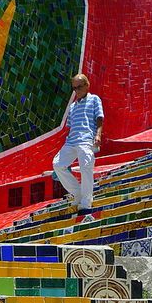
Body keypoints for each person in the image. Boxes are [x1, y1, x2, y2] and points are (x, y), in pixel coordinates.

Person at [53, 73, 104, 213]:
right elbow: (70, 126)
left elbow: (99, 118)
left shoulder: (94, 99)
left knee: (85, 167)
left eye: (79, 87)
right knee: (57, 164)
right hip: (71, 141)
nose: (76, 91)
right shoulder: (73, 106)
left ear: (87, 85)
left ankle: (86, 202)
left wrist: (98, 135)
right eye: (74, 88)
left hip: (86, 139)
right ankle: (78, 193)